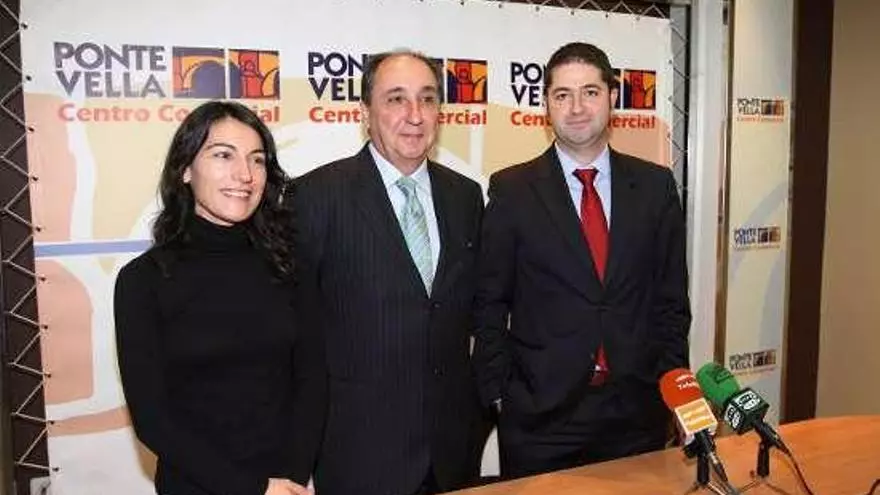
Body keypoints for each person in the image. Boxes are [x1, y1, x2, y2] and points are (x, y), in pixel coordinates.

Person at [472, 42, 691, 479]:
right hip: (541, 417)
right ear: (546, 105)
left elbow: (670, 301)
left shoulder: (655, 187)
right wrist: (500, 392)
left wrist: (670, 388)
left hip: (636, 411)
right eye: (562, 95)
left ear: (612, 97)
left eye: (590, 92)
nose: (576, 108)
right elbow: (489, 302)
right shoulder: (512, 191)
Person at [291, 50, 486, 495]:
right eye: (396, 99)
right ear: (365, 113)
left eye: (427, 99)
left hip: (451, 453)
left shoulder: (466, 197)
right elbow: (296, 331)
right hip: (359, 454)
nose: (414, 115)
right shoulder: (315, 197)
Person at [114, 101, 325, 495]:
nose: (244, 174)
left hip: (286, 484)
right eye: (223, 155)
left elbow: (313, 382)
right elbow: (153, 420)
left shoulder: (291, 265)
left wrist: (292, 478)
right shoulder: (143, 280)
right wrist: (254, 489)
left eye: (257, 159)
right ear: (185, 169)